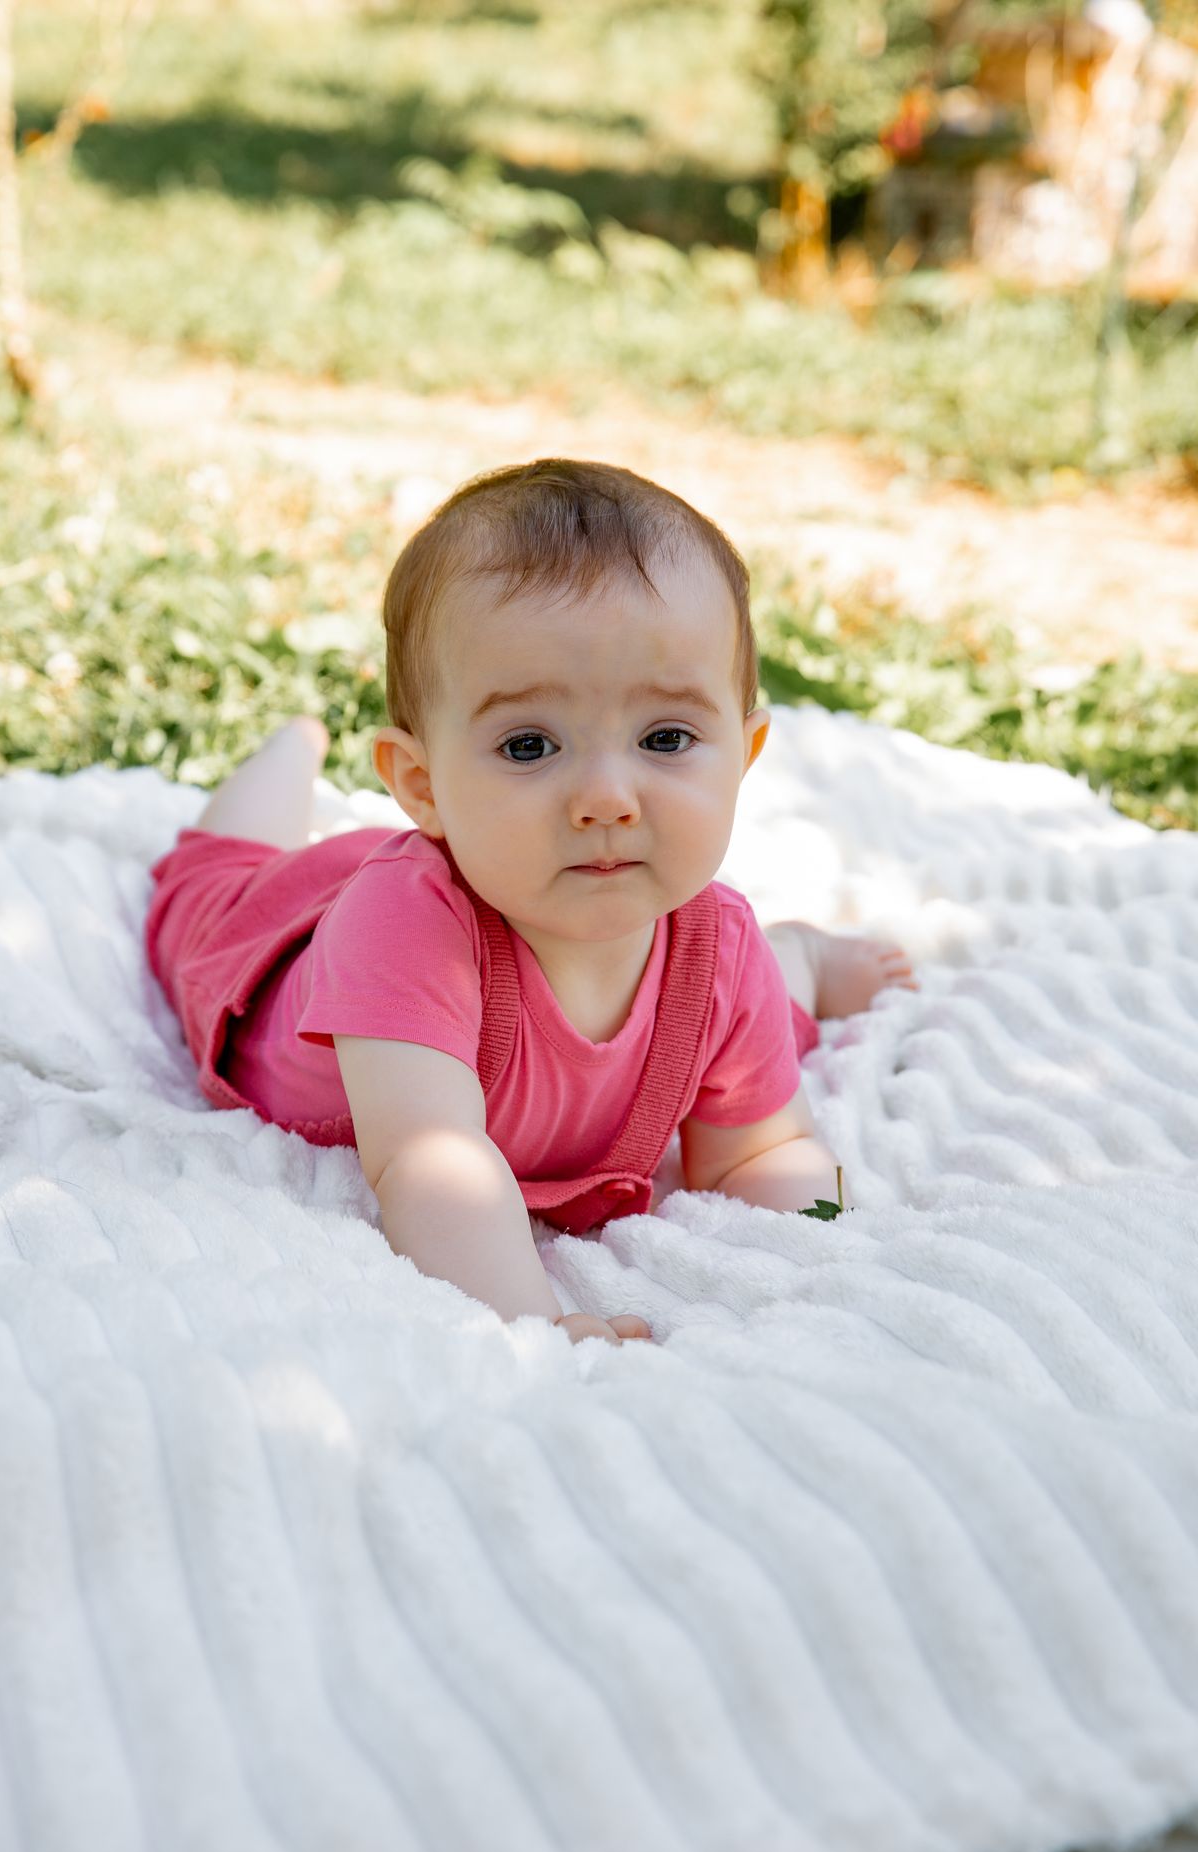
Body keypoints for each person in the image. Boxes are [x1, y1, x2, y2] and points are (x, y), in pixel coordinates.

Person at [145, 459, 916, 1348]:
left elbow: (762, 1152)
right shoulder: (400, 930)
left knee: (761, 1007)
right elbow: (429, 1160)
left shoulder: (714, 942)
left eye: (666, 737)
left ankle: (801, 963)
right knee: (208, 880)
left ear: (743, 755)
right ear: (423, 784)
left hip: (610, 921)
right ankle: (290, 749)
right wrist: (535, 1324)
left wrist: (835, 1269)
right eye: (528, 745)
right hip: (288, 928)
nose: (605, 797)